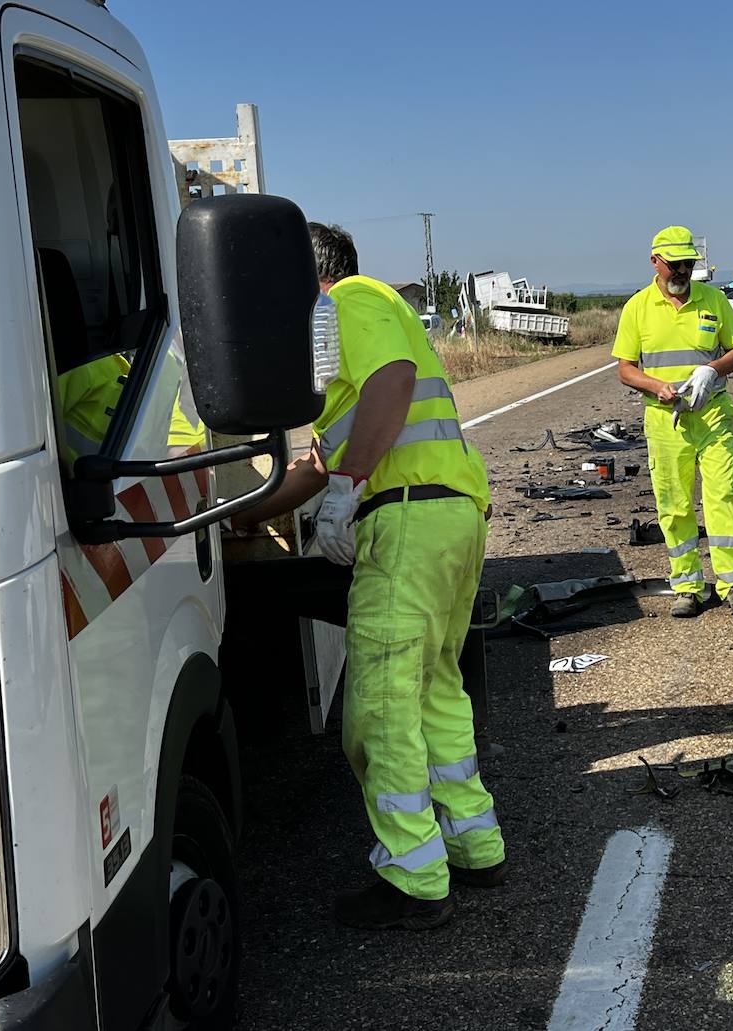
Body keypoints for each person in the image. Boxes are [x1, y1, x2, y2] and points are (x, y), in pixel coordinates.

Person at [233, 223, 505, 925]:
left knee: (379, 708)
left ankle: (414, 878)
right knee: (435, 690)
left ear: (306, 281)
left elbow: (392, 382)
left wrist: (352, 484)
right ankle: (476, 844)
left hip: (408, 520)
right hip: (451, 515)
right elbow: (315, 463)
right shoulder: (366, 326)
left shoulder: (348, 301)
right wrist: (243, 512)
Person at [612, 225, 733, 618]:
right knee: (674, 506)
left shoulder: (714, 300)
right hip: (665, 421)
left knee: (722, 494)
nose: (682, 271)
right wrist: (655, 386)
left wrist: (712, 370)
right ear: (655, 262)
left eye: (688, 264)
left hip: (712, 415)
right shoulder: (637, 308)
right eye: (675, 264)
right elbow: (625, 369)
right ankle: (688, 587)